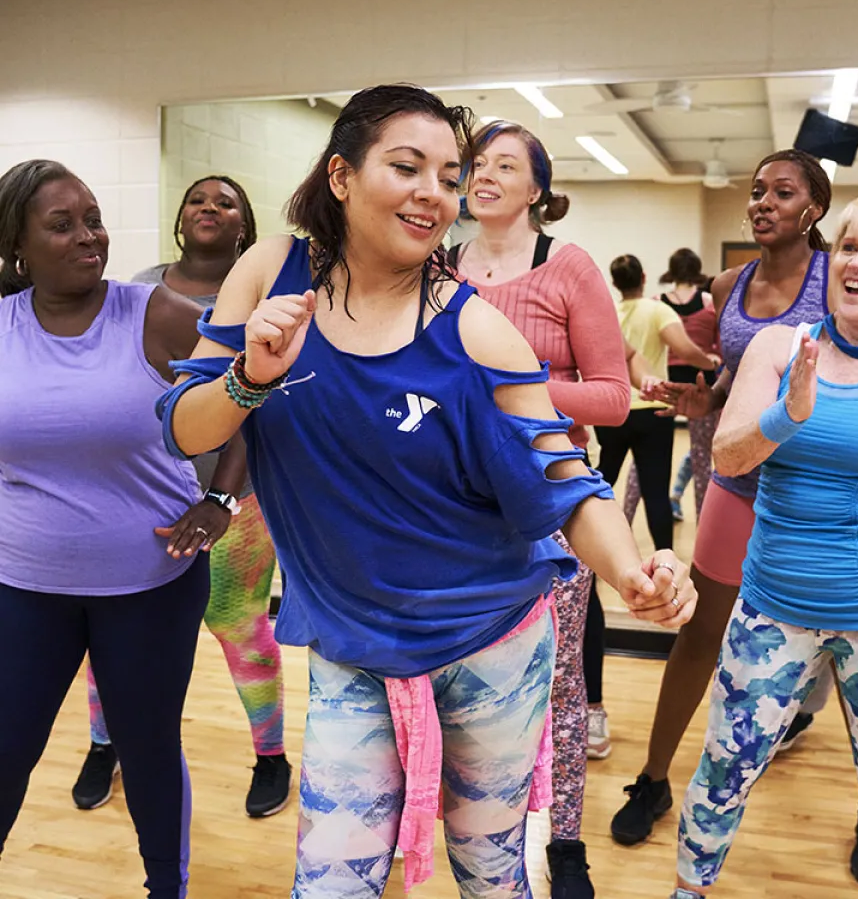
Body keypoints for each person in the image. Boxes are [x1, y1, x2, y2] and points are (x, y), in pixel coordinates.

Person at [156, 84, 698, 899]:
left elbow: (567, 478)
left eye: (450, 176)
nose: (434, 194)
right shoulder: (271, 271)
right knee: (330, 881)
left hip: (490, 640)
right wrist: (247, 378)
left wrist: (632, 573)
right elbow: (185, 430)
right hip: (350, 646)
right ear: (340, 175)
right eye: (406, 167)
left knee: (489, 872)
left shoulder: (474, 326)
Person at [669, 190, 858, 899]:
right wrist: (785, 414)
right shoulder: (780, 346)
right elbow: (731, 459)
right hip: (774, 608)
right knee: (723, 772)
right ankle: (686, 891)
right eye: (849, 247)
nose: (856, 263)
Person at [0, 160, 215, 897]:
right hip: (24, 587)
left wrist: (221, 502)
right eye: (63, 224)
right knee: (6, 748)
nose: (90, 236)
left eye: (92, 218)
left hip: (150, 585)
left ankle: (167, 888)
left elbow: (251, 398)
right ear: (18, 245)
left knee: (146, 746)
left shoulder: (155, 313)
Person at [610, 149, 832, 849]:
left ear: (813, 210)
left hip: (815, 486)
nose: (763, 201)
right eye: (758, 190)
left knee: (840, 645)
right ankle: (652, 778)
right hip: (739, 483)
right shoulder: (729, 282)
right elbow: (740, 373)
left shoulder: (838, 282)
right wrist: (707, 396)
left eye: (783, 192)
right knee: (699, 630)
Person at [449, 118, 630, 894]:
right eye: (476, 163)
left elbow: (614, 398)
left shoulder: (568, 268)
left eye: (505, 165)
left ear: (537, 190)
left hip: (550, 494)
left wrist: (509, 383)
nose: (484, 176)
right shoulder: (437, 264)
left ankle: (563, 845)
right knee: (452, 671)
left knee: (559, 684)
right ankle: (458, 821)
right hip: (451, 500)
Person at [75, 176, 291, 819]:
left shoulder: (264, 295)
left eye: (225, 203)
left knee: (237, 625)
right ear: (180, 218)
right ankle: (100, 744)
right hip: (138, 492)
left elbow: (264, 407)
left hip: (239, 496)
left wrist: (219, 500)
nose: (209, 209)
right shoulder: (138, 287)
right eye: (198, 199)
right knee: (107, 627)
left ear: (243, 228)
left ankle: (271, 756)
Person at [583, 253, 718, 763]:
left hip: (615, 414)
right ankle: (661, 558)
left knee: (601, 487)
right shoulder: (660, 312)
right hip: (652, 411)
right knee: (657, 493)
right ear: (643, 280)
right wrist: (714, 365)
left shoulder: (612, 314)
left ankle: (599, 551)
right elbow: (681, 347)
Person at [659, 248, 721, 521]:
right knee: (702, 457)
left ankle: (655, 507)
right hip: (702, 385)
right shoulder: (709, 302)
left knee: (648, 462)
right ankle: (704, 521)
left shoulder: (657, 303)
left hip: (667, 385)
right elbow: (720, 344)